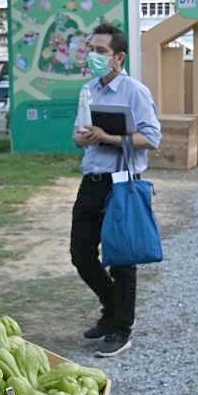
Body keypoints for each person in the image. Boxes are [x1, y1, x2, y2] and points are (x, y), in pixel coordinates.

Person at [71, 23, 161, 359]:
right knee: (80, 253)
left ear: (118, 57)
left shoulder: (135, 92)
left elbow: (152, 137)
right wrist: (83, 137)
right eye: (91, 49)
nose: (93, 56)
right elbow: (78, 135)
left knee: (122, 258)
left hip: (122, 181)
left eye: (101, 51)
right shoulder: (89, 89)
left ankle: (120, 327)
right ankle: (113, 308)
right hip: (92, 180)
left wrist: (108, 137)